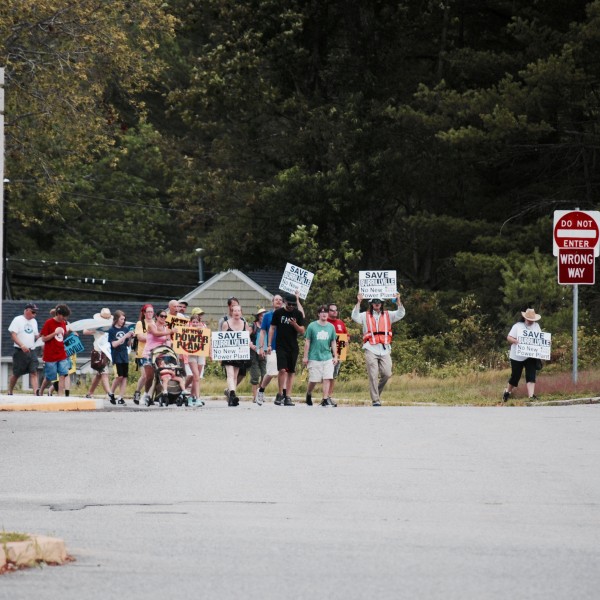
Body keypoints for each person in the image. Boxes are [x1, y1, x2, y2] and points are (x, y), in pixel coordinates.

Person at [351, 293, 405, 406]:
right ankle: (375, 400)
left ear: (382, 303)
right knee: (373, 374)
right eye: (374, 302)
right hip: (370, 347)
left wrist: (398, 301)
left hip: (384, 348)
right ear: (371, 304)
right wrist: (359, 302)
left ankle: (377, 393)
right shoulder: (364, 315)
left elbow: (401, 313)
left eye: (379, 302)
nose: (377, 304)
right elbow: (354, 316)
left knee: (387, 373)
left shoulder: (388, 315)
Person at [268, 293, 305, 406]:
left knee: (291, 371)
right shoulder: (278, 313)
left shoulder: (297, 313)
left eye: (293, 305)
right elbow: (272, 328)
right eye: (289, 304)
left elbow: (302, 330)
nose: (291, 307)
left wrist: (295, 325)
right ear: (284, 302)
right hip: (281, 346)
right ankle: (280, 394)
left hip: (293, 346)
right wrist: (269, 344)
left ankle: (288, 396)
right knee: (282, 370)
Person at [503, 308, 543, 402]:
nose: (531, 321)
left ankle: (531, 396)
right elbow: (509, 337)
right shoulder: (517, 326)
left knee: (531, 375)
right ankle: (507, 392)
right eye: (529, 319)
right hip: (517, 356)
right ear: (525, 318)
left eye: (532, 320)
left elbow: (541, 339)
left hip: (530, 355)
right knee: (515, 376)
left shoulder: (536, 326)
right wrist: (516, 341)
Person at [303, 305, 338, 407]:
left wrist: (335, 356)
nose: (324, 314)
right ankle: (308, 393)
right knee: (314, 380)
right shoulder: (312, 326)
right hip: (314, 356)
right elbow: (307, 341)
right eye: (322, 312)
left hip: (327, 356)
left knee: (327, 377)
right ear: (318, 314)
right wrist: (305, 356)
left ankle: (325, 399)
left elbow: (333, 342)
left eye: (326, 312)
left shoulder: (331, 327)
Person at [141, 309, 175, 405]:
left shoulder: (166, 328)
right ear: (157, 316)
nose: (163, 318)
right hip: (149, 353)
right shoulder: (152, 325)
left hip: (161, 353)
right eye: (162, 316)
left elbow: (168, 340)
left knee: (163, 374)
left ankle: (160, 394)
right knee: (150, 376)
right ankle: (146, 394)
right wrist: (171, 331)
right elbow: (156, 333)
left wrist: (169, 346)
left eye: (165, 316)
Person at [255, 294, 284, 405]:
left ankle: (280, 395)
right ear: (272, 302)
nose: (278, 301)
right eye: (276, 299)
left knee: (282, 371)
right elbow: (262, 332)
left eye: (280, 300)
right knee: (271, 372)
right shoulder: (267, 316)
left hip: (283, 347)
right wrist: (261, 347)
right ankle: (261, 390)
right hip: (271, 347)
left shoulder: (285, 315)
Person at [38, 304, 72, 397]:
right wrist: (54, 333)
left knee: (63, 374)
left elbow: (62, 337)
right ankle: (40, 391)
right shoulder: (49, 323)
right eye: (64, 316)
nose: (65, 318)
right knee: (50, 377)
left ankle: (60, 395)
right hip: (50, 354)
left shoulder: (63, 323)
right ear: (59, 314)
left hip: (61, 353)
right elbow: (43, 339)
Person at [221, 304, 251, 406]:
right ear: (231, 312)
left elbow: (247, 339)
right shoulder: (226, 324)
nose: (237, 312)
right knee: (230, 374)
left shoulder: (244, 324)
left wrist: (253, 347)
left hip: (239, 353)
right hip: (228, 353)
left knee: (235, 376)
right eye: (235, 311)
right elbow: (220, 339)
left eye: (239, 311)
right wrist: (219, 355)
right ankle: (233, 394)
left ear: (241, 312)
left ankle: (230, 397)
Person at [7, 303, 40, 395]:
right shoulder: (17, 320)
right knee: (17, 373)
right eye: (33, 312)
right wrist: (22, 345)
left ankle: (35, 392)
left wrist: (43, 337)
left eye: (36, 312)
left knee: (33, 371)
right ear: (26, 311)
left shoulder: (34, 321)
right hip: (20, 350)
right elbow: (13, 335)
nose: (35, 314)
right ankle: (10, 390)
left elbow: (36, 335)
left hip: (31, 350)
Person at [84, 308, 113, 400]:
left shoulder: (110, 325)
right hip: (98, 350)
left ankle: (90, 392)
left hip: (107, 351)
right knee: (104, 373)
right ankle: (110, 393)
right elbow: (85, 331)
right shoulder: (95, 324)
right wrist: (94, 330)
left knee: (99, 374)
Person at [107, 310, 135, 405]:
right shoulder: (112, 330)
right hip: (116, 355)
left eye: (124, 319)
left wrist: (130, 337)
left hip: (124, 355)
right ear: (116, 319)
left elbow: (128, 344)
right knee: (119, 376)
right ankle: (111, 392)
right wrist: (124, 337)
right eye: (121, 319)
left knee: (124, 377)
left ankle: (120, 397)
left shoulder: (126, 329)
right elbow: (114, 344)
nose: (123, 321)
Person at [132, 304, 154, 404]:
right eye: (148, 312)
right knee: (145, 375)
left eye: (151, 312)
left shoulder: (154, 323)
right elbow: (140, 337)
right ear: (144, 313)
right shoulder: (140, 323)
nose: (150, 314)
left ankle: (148, 396)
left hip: (153, 353)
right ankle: (137, 391)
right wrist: (153, 336)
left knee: (152, 376)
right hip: (142, 353)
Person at [326, 302, 348, 398]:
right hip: (326, 349)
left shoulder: (340, 322)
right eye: (332, 310)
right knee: (326, 373)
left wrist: (346, 340)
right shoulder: (325, 321)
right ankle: (324, 394)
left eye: (336, 310)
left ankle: (329, 395)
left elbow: (346, 335)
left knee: (333, 374)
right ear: (328, 311)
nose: (334, 312)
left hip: (339, 349)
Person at [185, 312, 206, 406]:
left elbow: (207, 341)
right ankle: (197, 398)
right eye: (193, 322)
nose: (195, 324)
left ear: (199, 322)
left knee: (196, 378)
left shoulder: (203, 330)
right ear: (190, 322)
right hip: (191, 355)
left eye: (197, 322)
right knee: (196, 375)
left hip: (201, 354)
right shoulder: (187, 331)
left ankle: (191, 397)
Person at [249, 308, 267, 403]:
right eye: (261, 315)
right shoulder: (254, 326)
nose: (263, 317)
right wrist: (251, 345)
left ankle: (260, 394)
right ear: (258, 316)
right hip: (254, 352)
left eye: (265, 315)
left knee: (265, 374)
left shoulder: (267, 326)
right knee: (255, 375)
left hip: (263, 352)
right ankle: (255, 396)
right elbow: (246, 336)